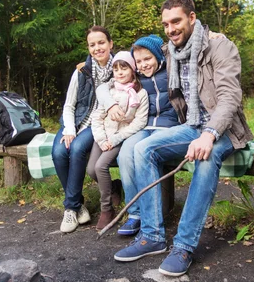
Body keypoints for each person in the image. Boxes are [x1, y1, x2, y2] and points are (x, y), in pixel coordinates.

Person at [113, 0, 254, 276]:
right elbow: (140, 60)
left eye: (176, 21)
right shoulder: (171, 51)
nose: (170, 28)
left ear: (192, 18)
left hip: (223, 128)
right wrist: (93, 66)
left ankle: (184, 246)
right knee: (143, 149)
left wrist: (209, 134)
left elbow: (229, 98)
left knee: (207, 155)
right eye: (166, 24)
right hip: (191, 125)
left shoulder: (219, 46)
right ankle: (152, 236)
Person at [96, 35, 182, 236]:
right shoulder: (136, 80)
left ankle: (153, 212)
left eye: (148, 59)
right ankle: (134, 213)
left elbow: (184, 49)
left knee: (143, 153)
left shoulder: (172, 71)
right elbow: (103, 87)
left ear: (158, 57)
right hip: (143, 127)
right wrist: (110, 103)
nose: (144, 65)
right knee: (126, 153)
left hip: (168, 127)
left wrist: (212, 36)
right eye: (140, 61)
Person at [52, 25, 117, 233]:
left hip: (96, 124)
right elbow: (69, 105)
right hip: (75, 120)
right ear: (88, 48)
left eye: (101, 43)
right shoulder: (82, 71)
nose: (97, 48)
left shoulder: (121, 68)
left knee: (78, 148)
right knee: (59, 151)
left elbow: (149, 52)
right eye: (92, 44)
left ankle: (69, 208)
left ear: (110, 44)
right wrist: (69, 129)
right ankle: (78, 205)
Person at [86, 51, 149, 230]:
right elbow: (97, 117)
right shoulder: (109, 92)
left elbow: (140, 121)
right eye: (116, 69)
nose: (120, 72)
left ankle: (107, 209)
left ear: (132, 70)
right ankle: (114, 187)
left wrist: (115, 139)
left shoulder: (140, 94)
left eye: (124, 68)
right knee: (91, 169)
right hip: (103, 135)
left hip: (120, 138)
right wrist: (101, 139)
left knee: (100, 167)